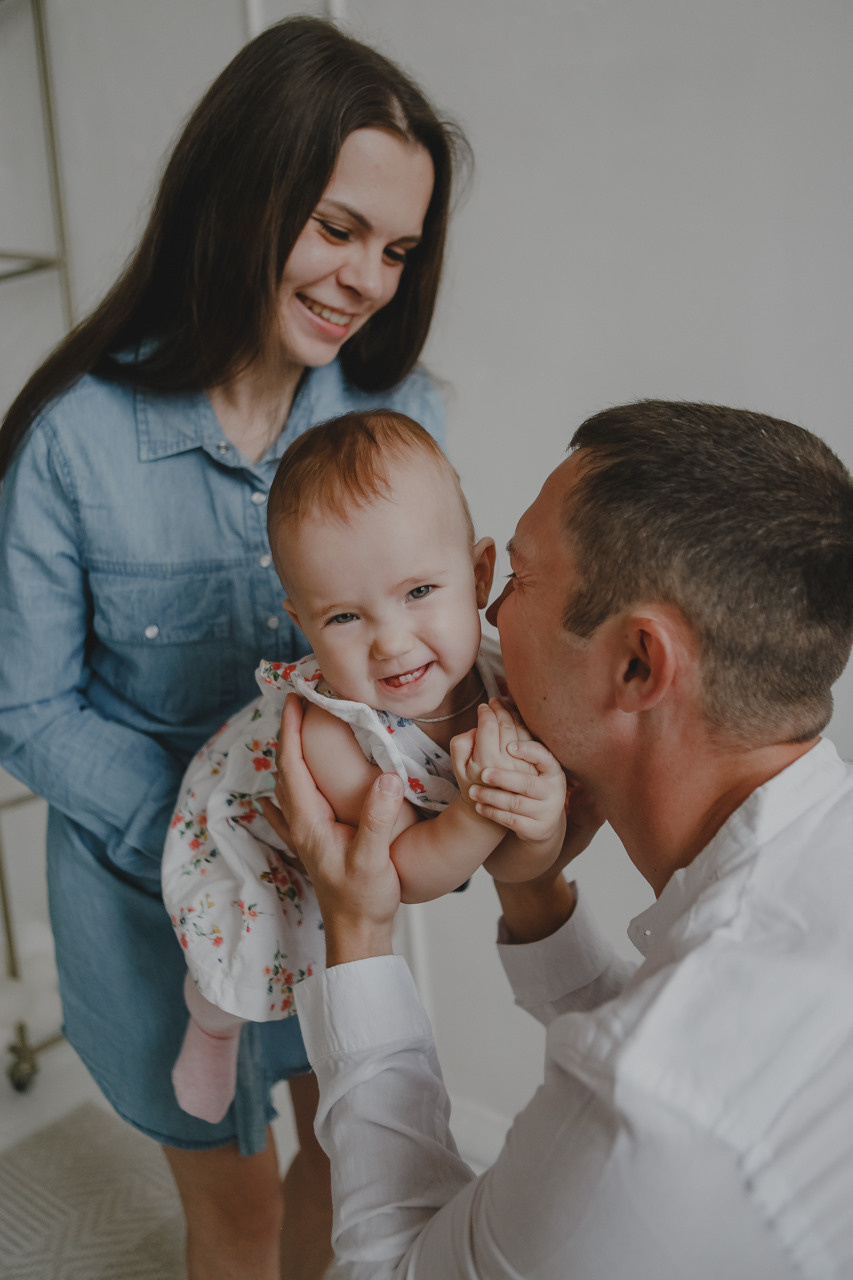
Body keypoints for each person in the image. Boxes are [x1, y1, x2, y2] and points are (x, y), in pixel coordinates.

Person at [0, 17, 469, 1280]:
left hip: (340, 900)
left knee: (346, 1161)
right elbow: (25, 704)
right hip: (147, 888)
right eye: (336, 227)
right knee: (240, 1212)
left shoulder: (402, 415)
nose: (366, 276)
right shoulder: (74, 438)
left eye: (396, 248)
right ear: (241, 192)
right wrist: (221, 831)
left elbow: (434, 647)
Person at [271, 400, 853, 1279]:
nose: (493, 610)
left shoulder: (648, 1106)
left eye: (521, 576)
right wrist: (530, 885)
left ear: (636, 664)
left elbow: (389, 1270)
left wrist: (357, 931)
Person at [163, 409, 568, 1127]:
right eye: (344, 618)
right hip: (251, 829)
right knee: (247, 946)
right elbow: (398, 877)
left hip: (353, 854)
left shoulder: (508, 678)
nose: (390, 643)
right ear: (304, 624)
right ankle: (212, 1025)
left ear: (478, 577)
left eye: (417, 593)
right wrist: (477, 810)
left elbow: (514, 861)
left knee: (328, 960)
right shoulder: (330, 730)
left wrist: (537, 816)